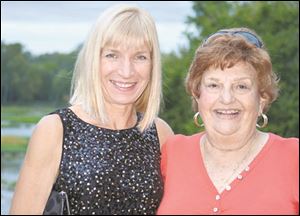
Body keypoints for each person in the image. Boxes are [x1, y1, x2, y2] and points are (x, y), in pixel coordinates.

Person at [9, 4, 173, 215]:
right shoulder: (55, 130)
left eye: (140, 57)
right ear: (94, 59)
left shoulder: (161, 133)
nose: (126, 71)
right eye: (112, 55)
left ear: (153, 64)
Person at [157, 27, 299, 215]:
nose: (226, 98)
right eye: (214, 85)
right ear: (197, 93)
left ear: (262, 98)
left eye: (241, 86)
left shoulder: (293, 157)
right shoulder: (171, 153)